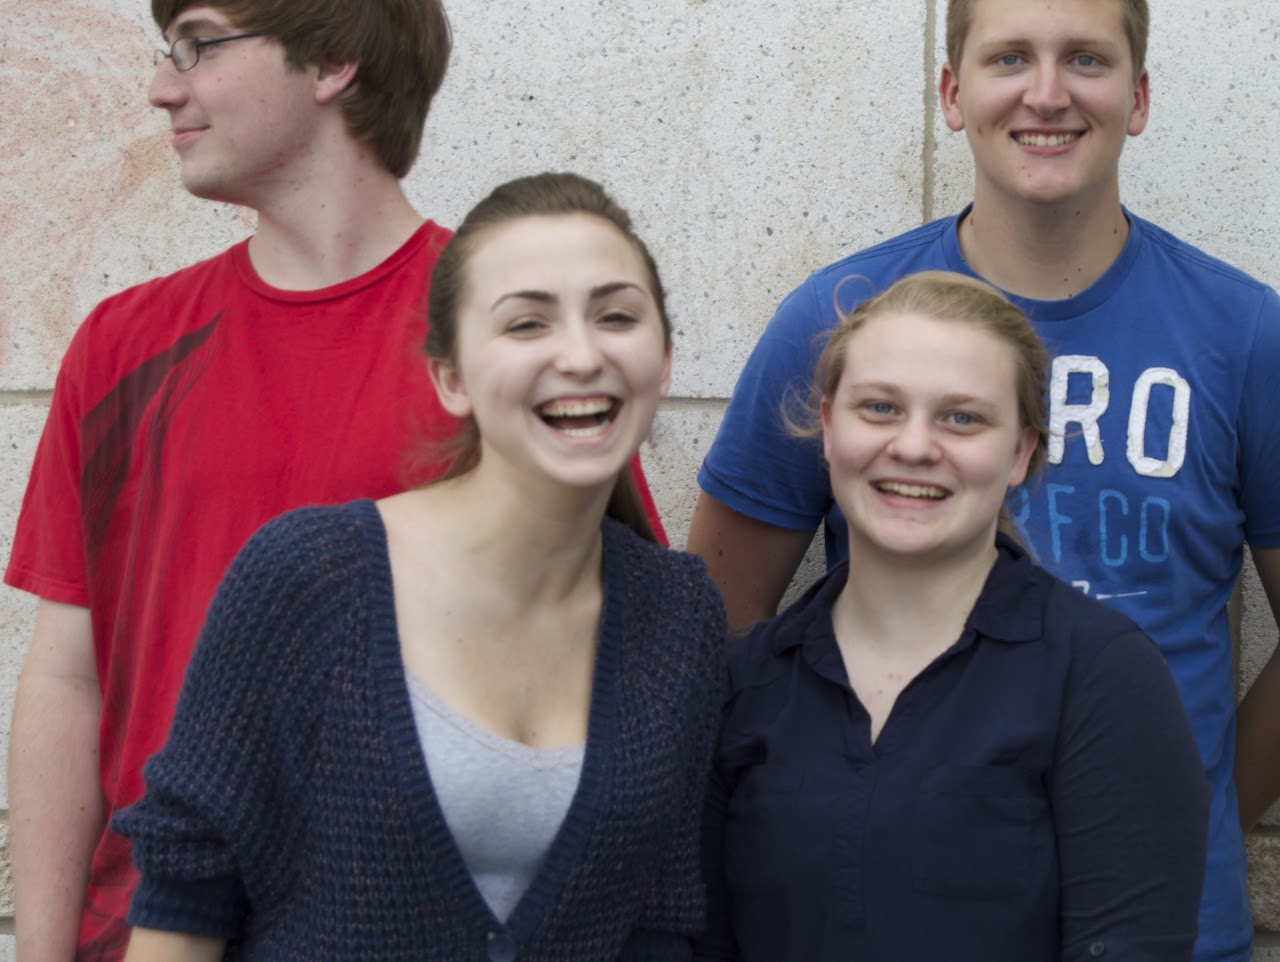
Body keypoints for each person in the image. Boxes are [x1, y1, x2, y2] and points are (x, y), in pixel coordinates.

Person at [3, 5, 664, 961]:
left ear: (334, 61)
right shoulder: (124, 347)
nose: (162, 85)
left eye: (199, 43)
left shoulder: (509, 345)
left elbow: (619, 662)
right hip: (144, 933)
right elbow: (68, 676)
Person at [686, 1, 1280, 958]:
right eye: (1010, 57)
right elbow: (720, 621)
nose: (1047, 93)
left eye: (1085, 58)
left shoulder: (1246, 337)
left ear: (1137, 96)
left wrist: (1198, 807)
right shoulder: (836, 324)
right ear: (954, 93)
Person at [110, 171, 726, 962]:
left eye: (615, 316)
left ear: (664, 361)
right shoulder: (310, 579)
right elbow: (184, 900)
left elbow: (661, 919)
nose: (581, 354)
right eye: (527, 323)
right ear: (450, 376)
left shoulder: (680, 616)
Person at [695, 270, 1210, 962]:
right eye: (879, 407)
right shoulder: (744, 684)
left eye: (962, 417)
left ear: (1021, 450)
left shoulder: (1102, 678)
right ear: (826, 426)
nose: (913, 446)